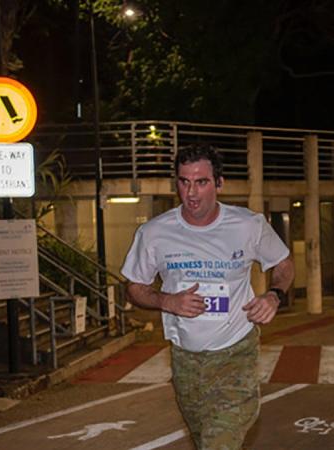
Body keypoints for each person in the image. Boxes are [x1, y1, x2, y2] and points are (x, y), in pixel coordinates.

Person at [121, 144, 294, 449]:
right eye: (184, 181)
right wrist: (167, 301)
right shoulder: (154, 233)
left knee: (219, 442)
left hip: (235, 354)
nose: (191, 192)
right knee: (205, 440)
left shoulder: (247, 225)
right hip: (185, 359)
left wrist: (274, 295)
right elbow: (134, 287)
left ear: (219, 183)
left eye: (201, 182)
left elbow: (283, 264)